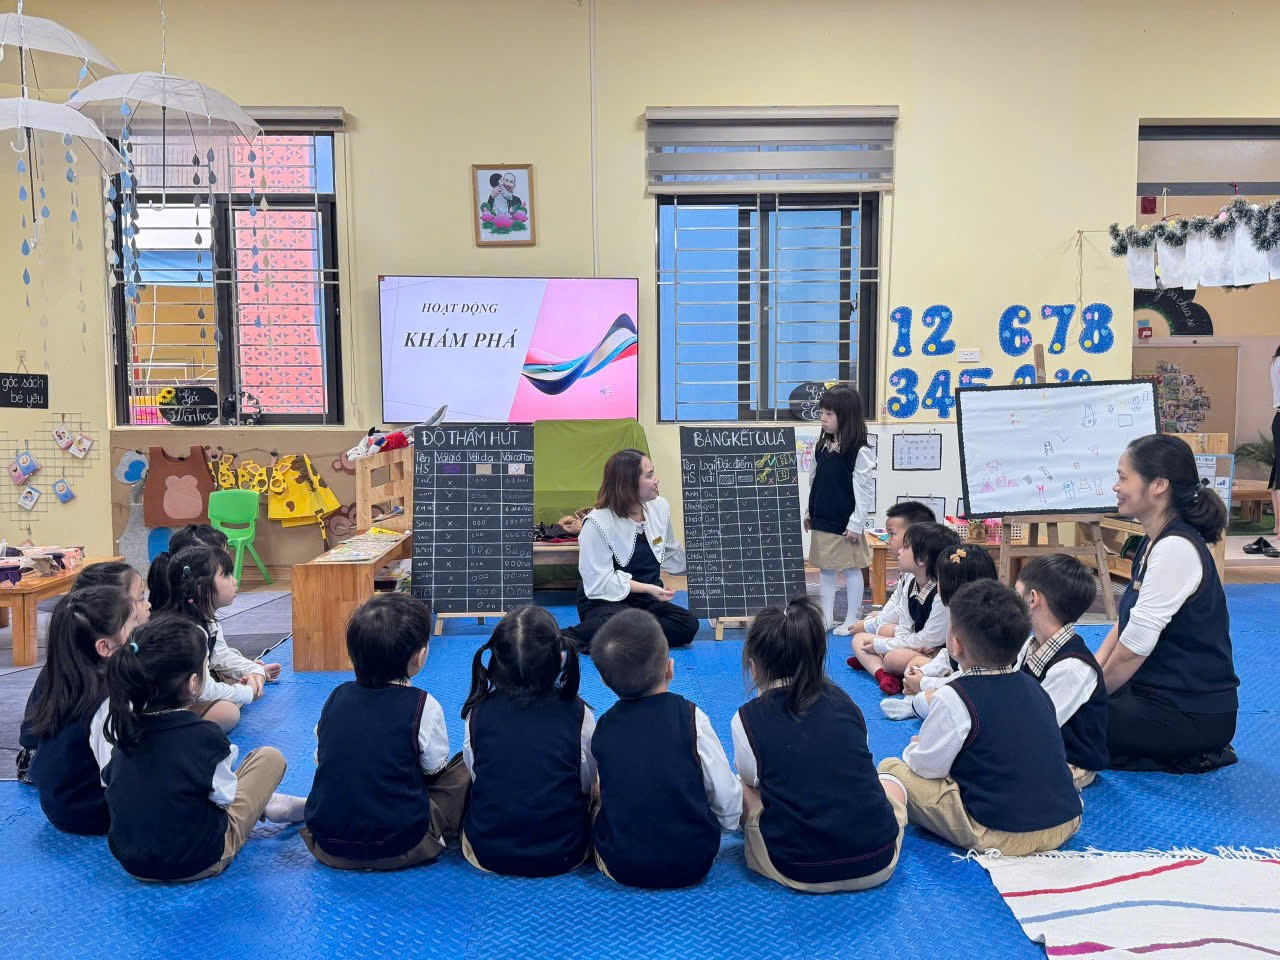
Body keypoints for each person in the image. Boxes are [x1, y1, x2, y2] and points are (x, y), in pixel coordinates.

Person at [878, 581, 1082, 856]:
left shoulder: (954, 695)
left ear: (955, 644)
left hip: (1000, 833)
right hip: (1066, 821)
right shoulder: (1033, 685)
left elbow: (927, 769)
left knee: (892, 768)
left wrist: (916, 747)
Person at [101, 616, 303, 882]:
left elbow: (112, 782)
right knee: (268, 758)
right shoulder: (202, 734)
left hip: (134, 864)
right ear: (194, 683)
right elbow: (225, 797)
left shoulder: (124, 731)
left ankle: (265, 804)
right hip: (201, 860)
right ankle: (269, 804)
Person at [733, 596, 906, 893]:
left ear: (753, 665)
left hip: (798, 869)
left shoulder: (747, 719)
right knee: (889, 780)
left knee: (739, 788)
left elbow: (752, 781)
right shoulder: (847, 704)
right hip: (877, 862)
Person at [1096, 434, 1239, 773]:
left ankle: (1195, 751)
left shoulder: (1176, 549)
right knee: (1064, 709)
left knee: (1067, 725)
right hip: (1154, 692)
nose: (1116, 487)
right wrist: (1088, 679)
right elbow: (1124, 625)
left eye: (1122, 477)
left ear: (1158, 484)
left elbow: (1132, 650)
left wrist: (1088, 699)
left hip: (1192, 711)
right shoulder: (1151, 541)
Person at [302, 593, 470, 871]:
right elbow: (433, 770)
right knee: (463, 766)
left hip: (327, 845)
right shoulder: (422, 704)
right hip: (404, 845)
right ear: (419, 656)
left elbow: (322, 760)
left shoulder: (335, 697)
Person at [590, 609, 740, 888]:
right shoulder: (692, 717)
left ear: (603, 681)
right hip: (695, 860)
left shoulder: (604, 726)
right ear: (670, 668)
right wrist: (724, 827)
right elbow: (726, 797)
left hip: (622, 865)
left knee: (596, 793)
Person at [460, 605, 594, 877]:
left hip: (487, 852)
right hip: (565, 853)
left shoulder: (477, 712)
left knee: (456, 772)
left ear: (495, 661)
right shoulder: (579, 713)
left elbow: (476, 772)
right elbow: (586, 781)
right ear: (559, 657)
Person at [16, 562, 150, 785]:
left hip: (59, 779)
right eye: (140, 598)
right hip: (60, 775)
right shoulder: (103, 690)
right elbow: (116, 775)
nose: (148, 605)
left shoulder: (78, 655)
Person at [25, 587, 141, 834]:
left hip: (56, 804)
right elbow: (116, 775)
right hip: (92, 812)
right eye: (133, 625)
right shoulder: (109, 699)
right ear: (105, 647)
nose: (138, 629)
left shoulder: (60, 676)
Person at [565, 449, 698, 654]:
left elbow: (671, 554)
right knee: (613, 622)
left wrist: (708, 562)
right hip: (605, 601)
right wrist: (647, 588)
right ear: (628, 484)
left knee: (687, 624)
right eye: (649, 476)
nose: (656, 481)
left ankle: (621, 639)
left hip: (646, 601)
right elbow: (598, 581)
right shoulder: (597, 523)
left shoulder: (660, 508)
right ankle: (564, 638)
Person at [1015, 554, 1108, 788]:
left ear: (1032, 599)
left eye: (1016, 594)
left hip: (1070, 761)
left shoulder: (1071, 668)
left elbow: (1033, 728)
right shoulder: (1032, 644)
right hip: (1035, 739)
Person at [153, 546, 266, 733]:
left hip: (190, 692)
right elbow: (202, 690)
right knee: (227, 712)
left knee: (230, 679)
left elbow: (221, 657)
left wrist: (255, 670)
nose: (235, 581)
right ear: (201, 588)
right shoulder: (187, 630)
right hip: (168, 707)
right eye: (227, 575)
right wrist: (248, 692)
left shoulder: (205, 618)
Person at [880, 543, 998, 720]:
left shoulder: (978, 623)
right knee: (916, 667)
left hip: (977, 688)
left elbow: (969, 679)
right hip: (960, 674)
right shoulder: (958, 610)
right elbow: (949, 656)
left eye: (939, 579)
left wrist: (922, 682)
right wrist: (922, 673)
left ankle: (914, 705)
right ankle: (917, 696)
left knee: (928, 699)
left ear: (952, 584)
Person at [150, 525, 281, 681]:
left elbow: (219, 654)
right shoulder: (184, 628)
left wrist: (251, 668)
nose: (233, 578)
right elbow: (202, 687)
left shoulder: (201, 614)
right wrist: (244, 689)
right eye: (224, 572)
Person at [850, 522, 960, 693]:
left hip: (936, 653)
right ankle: (882, 674)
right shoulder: (910, 579)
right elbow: (904, 623)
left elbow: (930, 640)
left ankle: (883, 665)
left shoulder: (941, 592)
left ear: (922, 559)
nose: (900, 551)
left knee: (893, 657)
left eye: (906, 547)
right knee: (861, 639)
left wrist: (884, 646)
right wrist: (894, 643)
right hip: (917, 643)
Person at [803, 384, 877, 635]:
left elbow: (864, 491)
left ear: (846, 417)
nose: (823, 418)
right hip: (823, 518)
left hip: (845, 524)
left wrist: (856, 524)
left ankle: (852, 618)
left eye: (830, 414)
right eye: (822, 412)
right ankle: (825, 616)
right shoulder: (821, 447)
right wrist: (809, 512)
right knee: (825, 567)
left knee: (851, 568)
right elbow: (814, 481)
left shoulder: (859, 451)